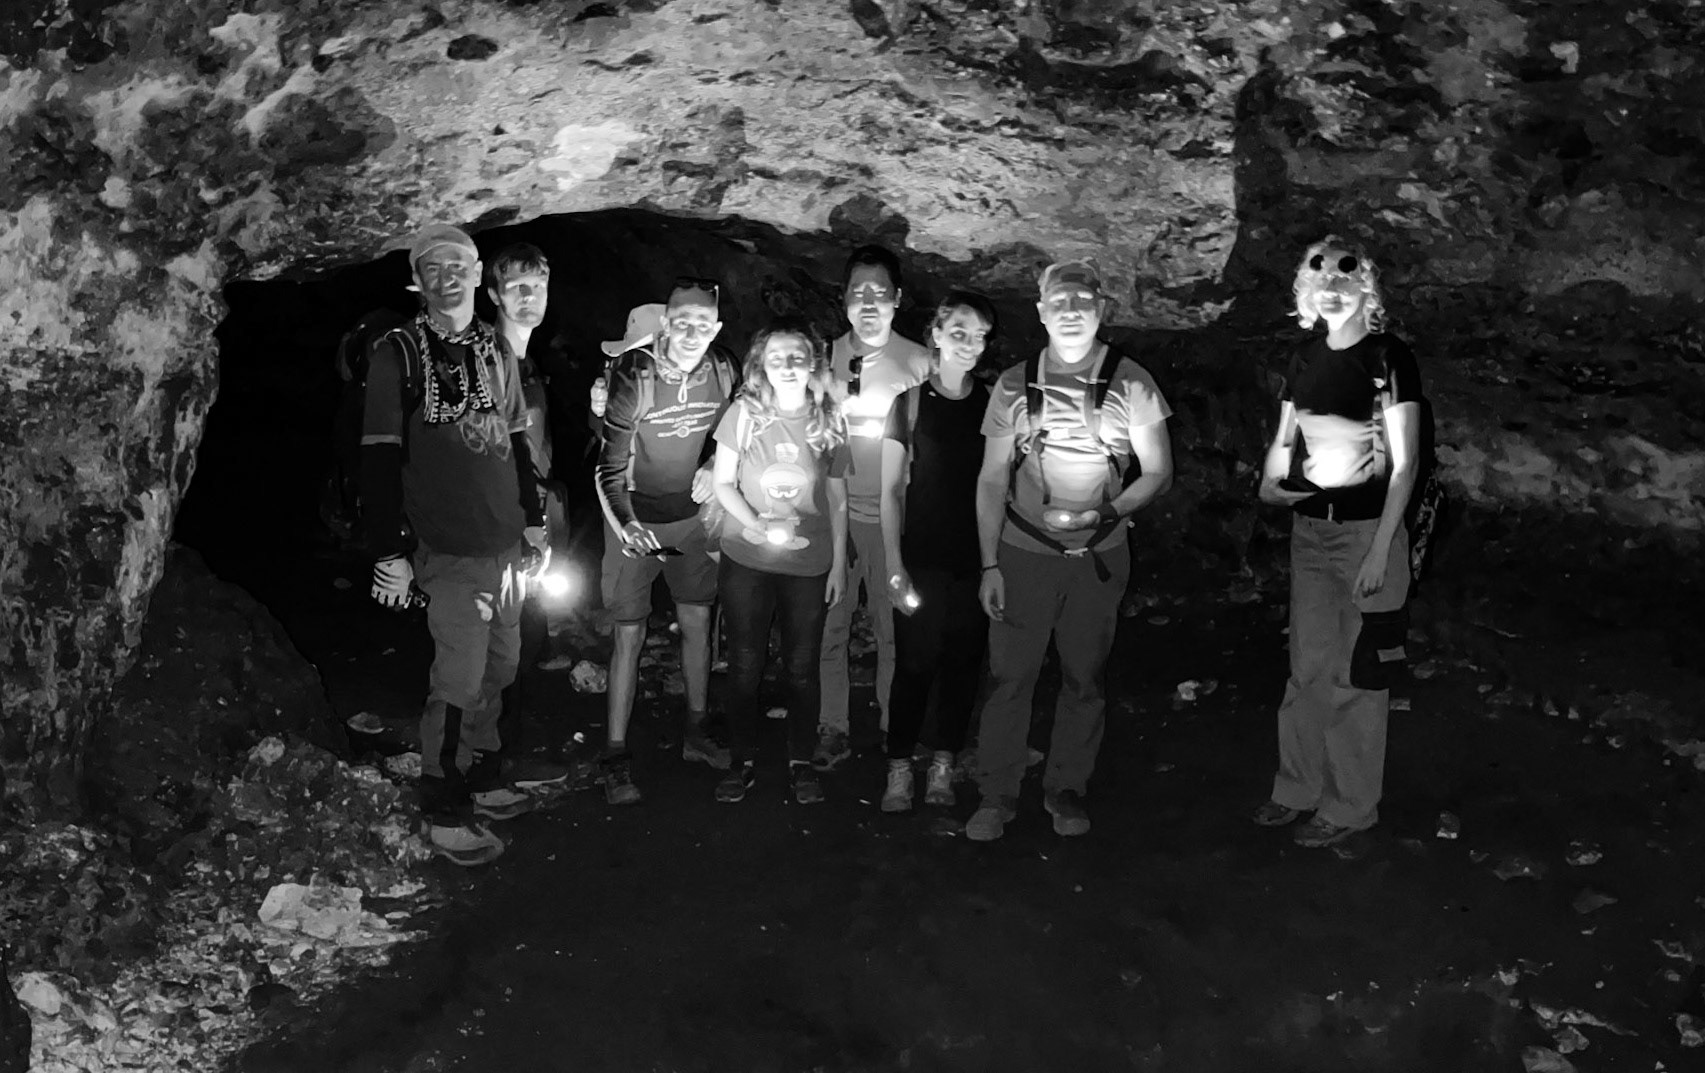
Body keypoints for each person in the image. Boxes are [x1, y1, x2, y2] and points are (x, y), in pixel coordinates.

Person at [362, 223, 551, 866]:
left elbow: (520, 440)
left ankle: (485, 772)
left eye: (459, 264)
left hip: (504, 545)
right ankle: (442, 801)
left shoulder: (497, 350)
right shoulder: (399, 354)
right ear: (417, 280)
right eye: (432, 266)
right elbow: (380, 457)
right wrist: (388, 552)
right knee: (460, 675)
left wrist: (534, 521)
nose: (447, 275)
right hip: (446, 549)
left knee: (500, 666)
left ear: (477, 275)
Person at [968, 260, 1174, 842]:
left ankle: (1066, 787)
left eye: (1082, 299)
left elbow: (1157, 470)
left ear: (1101, 307)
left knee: (1084, 677)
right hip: (1023, 553)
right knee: (1011, 677)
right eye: (1059, 300)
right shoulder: (1014, 383)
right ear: (1041, 311)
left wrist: (1103, 513)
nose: (1071, 310)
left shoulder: (1132, 383)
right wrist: (989, 564)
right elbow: (990, 479)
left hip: (1097, 555)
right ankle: (997, 793)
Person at [1251, 237, 1420, 848]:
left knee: (1358, 675)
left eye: (1346, 280)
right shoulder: (1303, 358)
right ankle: (1295, 787)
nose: (1332, 287)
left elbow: (1406, 465)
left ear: (1365, 290)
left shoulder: (1387, 357)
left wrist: (1380, 548)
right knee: (1307, 670)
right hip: (1311, 533)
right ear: (1304, 289)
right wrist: (1270, 483)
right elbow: (1284, 435)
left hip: (1365, 535)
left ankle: (1350, 806)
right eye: (1318, 276)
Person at [593, 281, 741, 804]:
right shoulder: (636, 375)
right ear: (666, 324)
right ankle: (614, 753)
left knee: (697, 620)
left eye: (703, 324)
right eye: (682, 322)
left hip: (690, 522)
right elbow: (608, 467)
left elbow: (739, 430)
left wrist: (713, 466)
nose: (692, 333)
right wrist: (626, 526)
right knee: (629, 635)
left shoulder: (723, 369)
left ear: (716, 328)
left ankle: (697, 731)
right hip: (638, 520)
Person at [709, 320, 849, 805]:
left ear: (812, 363)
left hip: (809, 561)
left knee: (802, 667)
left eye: (796, 357)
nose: (787, 367)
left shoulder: (828, 418)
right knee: (745, 662)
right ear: (760, 366)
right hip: (747, 557)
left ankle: (801, 761)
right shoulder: (744, 415)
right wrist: (756, 524)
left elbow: (838, 496)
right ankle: (740, 760)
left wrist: (838, 565)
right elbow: (724, 482)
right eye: (776, 358)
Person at [876, 291, 998, 812]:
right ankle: (900, 765)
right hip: (922, 553)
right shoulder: (908, 403)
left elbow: (1000, 480)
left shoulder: (994, 402)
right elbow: (890, 490)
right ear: (938, 334)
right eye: (960, 332)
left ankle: (944, 761)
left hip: (974, 555)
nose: (971, 344)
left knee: (963, 662)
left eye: (980, 336)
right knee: (916, 663)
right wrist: (894, 565)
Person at [816, 245, 931, 771]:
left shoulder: (920, 363)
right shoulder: (823, 359)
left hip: (896, 522)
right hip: (834, 514)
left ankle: (893, 729)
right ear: (843, 301)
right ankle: (832, 727)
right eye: (857, 292)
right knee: (831, 626)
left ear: (898, 299)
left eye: (878, 292)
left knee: (892, 631)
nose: (868, 302)